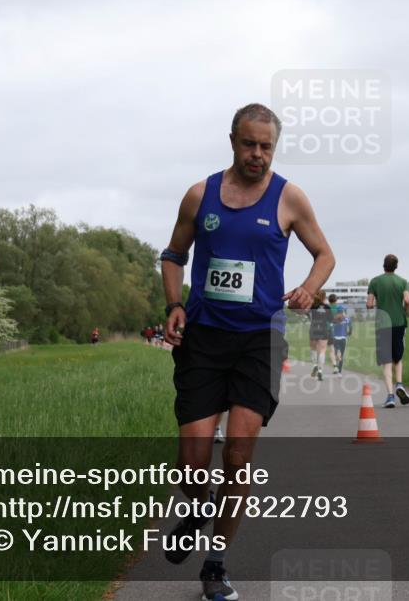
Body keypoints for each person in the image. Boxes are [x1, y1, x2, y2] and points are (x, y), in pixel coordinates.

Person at [160, 103, 335, 601]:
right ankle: (197, 508)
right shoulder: (201, 195)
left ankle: (215, 566)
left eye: (266, 146)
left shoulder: (289, 198)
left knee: (238, 456)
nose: (256, 154)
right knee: (191, 465)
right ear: (232, 140)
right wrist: (174, 303)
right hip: (204, 339)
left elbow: (325, 254)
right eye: (248, 144)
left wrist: (307, 287)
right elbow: (174, 256)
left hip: (260, 339)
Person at [367, 254, 409, 409]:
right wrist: (405, 310)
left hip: (382, 324)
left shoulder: (375, 281)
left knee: (386, 361)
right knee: (398, 358)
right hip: (399, 323)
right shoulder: (403, 282)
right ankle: (399, 384)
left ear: (383, 265)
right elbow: (407, 300)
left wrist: (375, 305)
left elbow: (369, 303)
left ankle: (390, 396)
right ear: (396, 266)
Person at [308, 290, 331, 381]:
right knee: (322, 351)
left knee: (313, 349)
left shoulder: (312, 306)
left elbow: (307, 314)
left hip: (313, 329)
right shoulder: (327, 307)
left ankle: (314, 365)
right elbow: (331, 319)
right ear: (324, 297)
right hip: (323, 329)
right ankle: (320, 370)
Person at [330, 298, 351, 375]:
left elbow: (331, 328)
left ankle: (336, 366)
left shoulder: (333, 319)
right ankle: (340, 371)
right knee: (342, 354)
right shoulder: (347, 319)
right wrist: (349, 333)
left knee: (336, 353)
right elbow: (350, 328)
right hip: (344, 339)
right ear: (343, 311)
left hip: (335, 338)